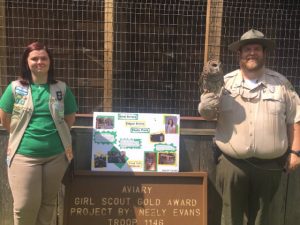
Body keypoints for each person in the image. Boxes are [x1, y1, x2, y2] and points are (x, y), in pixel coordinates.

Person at [198, 29, 300, 225]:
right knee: (230, 217)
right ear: (240, 54)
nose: (251, 53)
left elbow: (295, 119)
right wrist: (205, 106)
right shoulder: (224, 82)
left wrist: (295, 152)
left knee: (262, 217)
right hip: (231, 165)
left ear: (264, 53)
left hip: (270, 167)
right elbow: (209, 115)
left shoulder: (281, 85)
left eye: (256, 49)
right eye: (247, 49)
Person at [0, 41, 78, 225]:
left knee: (48, 203)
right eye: (34, 58)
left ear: (50, 62)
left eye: (44, 58)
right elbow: (4, 118)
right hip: (24, 156)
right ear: (26, 62)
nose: (39, 62)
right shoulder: (15, 88)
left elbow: (69, 118)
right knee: (25, 205)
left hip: (56, 157)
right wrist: (21, 135)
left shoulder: (61, 89)